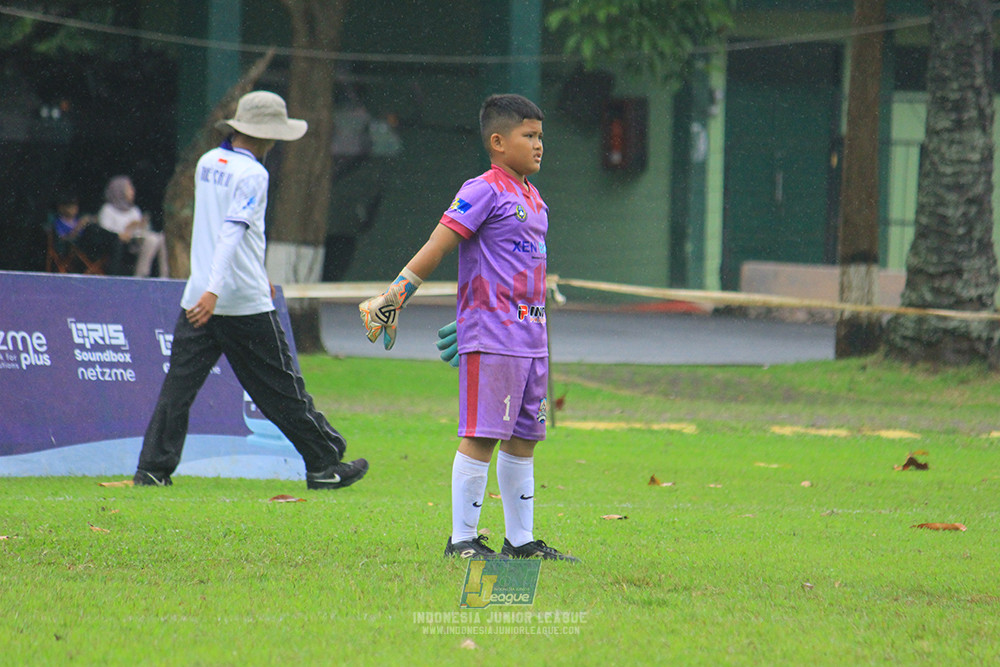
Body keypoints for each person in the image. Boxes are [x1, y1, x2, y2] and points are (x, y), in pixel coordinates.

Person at [359, 94, 578, 561]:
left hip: (532, 340)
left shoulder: (534, 199)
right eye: (529, 136)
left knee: (524, 439)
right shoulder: (483, 190)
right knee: (481, 434)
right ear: (498, 142)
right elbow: (437, 246)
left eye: (541, 136)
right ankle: (461, 539)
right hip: (494, 337)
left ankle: (520, 542)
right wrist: (395, 295)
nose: (539, 145)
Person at [133, 90, 369, 490]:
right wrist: (218, 289)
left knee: (179, 387)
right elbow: (233, 232)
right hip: (239, 300)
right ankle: (324, 463)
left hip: (197, 298)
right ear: (270, 135)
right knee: (280, 387)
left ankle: (152, 470)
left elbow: (212, 229)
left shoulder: (210, 162)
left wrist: (206, 289)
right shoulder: (254, 174)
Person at [98, 175, 169, 278]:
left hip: (136, 242)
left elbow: (141, 231)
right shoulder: (108, 210)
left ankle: (164, 276)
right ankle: (140, 275)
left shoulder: (134, 210)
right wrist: (128, 229)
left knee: (160, 238)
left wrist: (141, 225)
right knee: (152, 240)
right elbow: (106, 234)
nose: (133, 192)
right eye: (129, 189)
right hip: (120, 246)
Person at [46, 189, 126, 275]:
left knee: (96, 229)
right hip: (75, 246)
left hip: (90, 244)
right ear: (61, 207)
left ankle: (114, 239)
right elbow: (63, 240)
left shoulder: (77, 219)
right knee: (91, 229)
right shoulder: (58, 222)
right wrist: (79, 227)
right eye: (70, 206)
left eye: (75, 205)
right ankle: (115, 238)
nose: (74, 209)